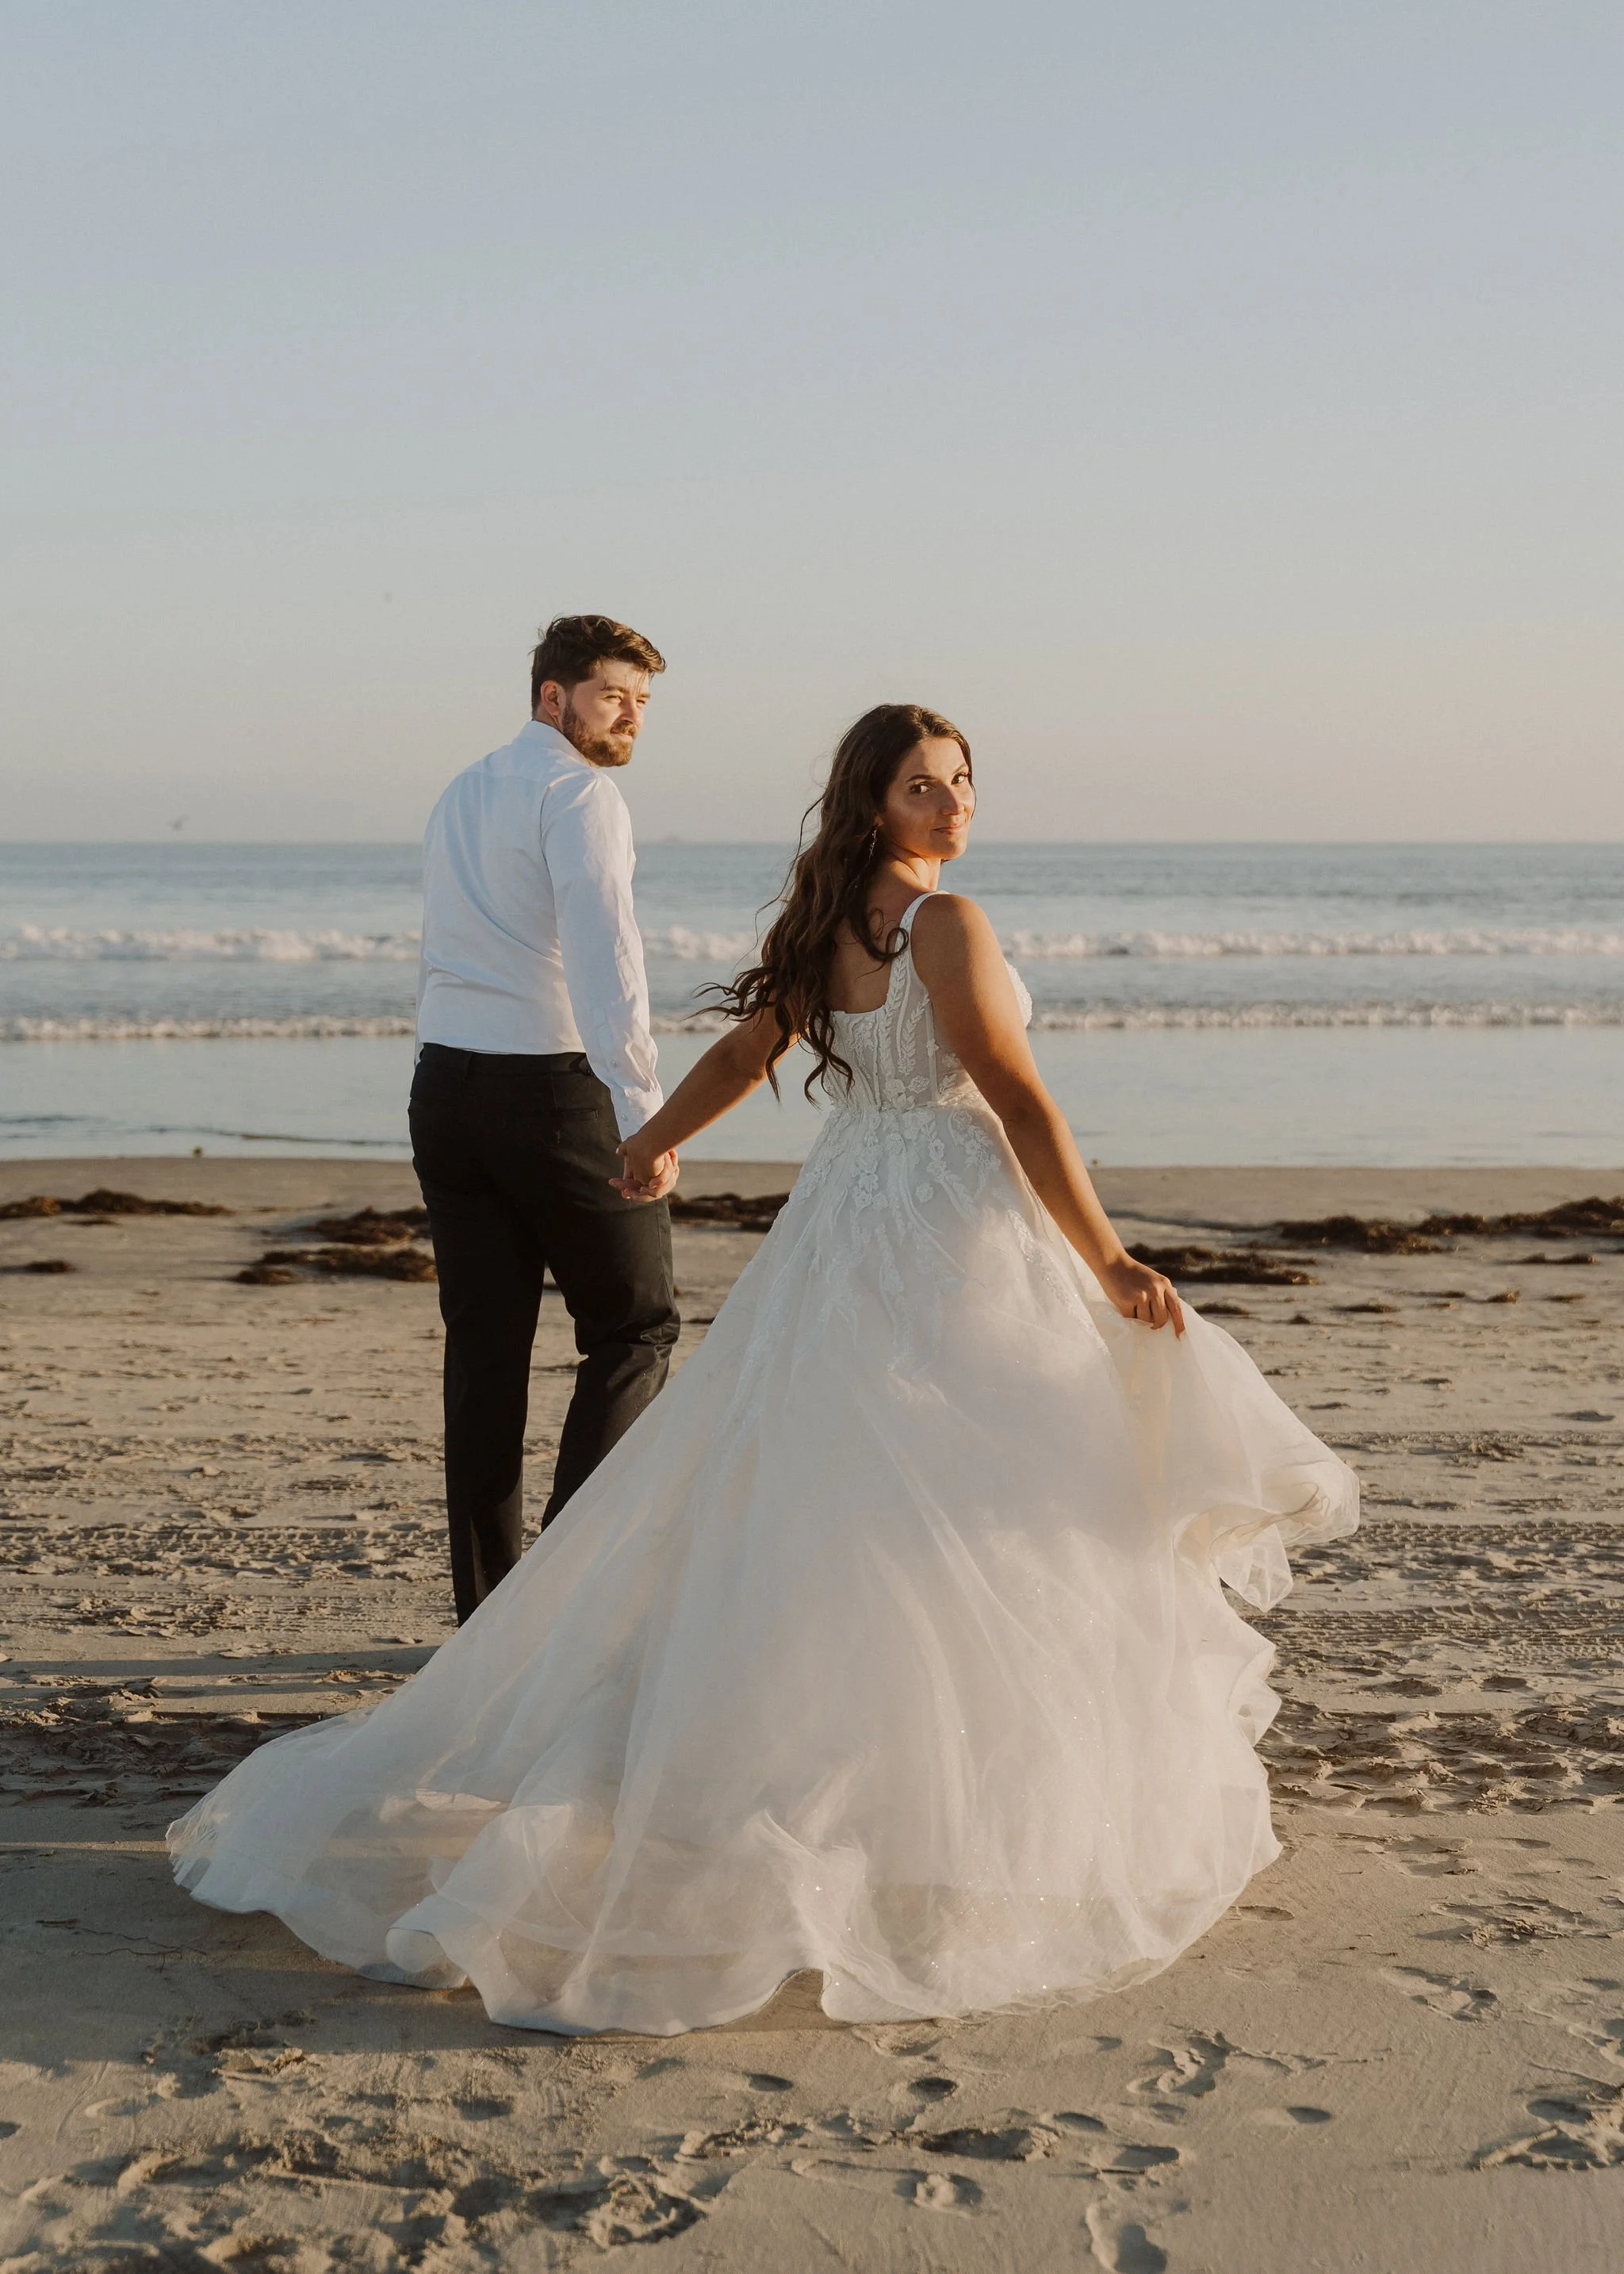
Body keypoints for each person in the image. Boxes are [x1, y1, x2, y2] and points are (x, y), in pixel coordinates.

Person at [171, 703, 1358, 2036]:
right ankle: (941, 1802)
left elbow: (751, 1049)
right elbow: (1017, 1096)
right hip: (952, 1222)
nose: (953, 806)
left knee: (847, 1495)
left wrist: (654, 1142)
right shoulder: (945, 923)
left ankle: (852, 1772)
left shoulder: (826, 921)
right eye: (923, 788)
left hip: (850, 1210)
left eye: (962, 782)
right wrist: (1106, 1258)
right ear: (873, 802)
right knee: (983, 1495)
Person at [410, 615, 680, 1624]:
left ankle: (487, 1614)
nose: (630, 718)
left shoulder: (460, 790)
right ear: (551, 695)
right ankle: (551, 1610)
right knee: (637, 1325)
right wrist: (644, 1112)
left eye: (642, 702)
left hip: (445, 1089)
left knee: (485, 1354)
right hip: (553, 1091)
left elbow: (447, 938)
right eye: (614, 695)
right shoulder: (579, 792)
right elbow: (608, 957)